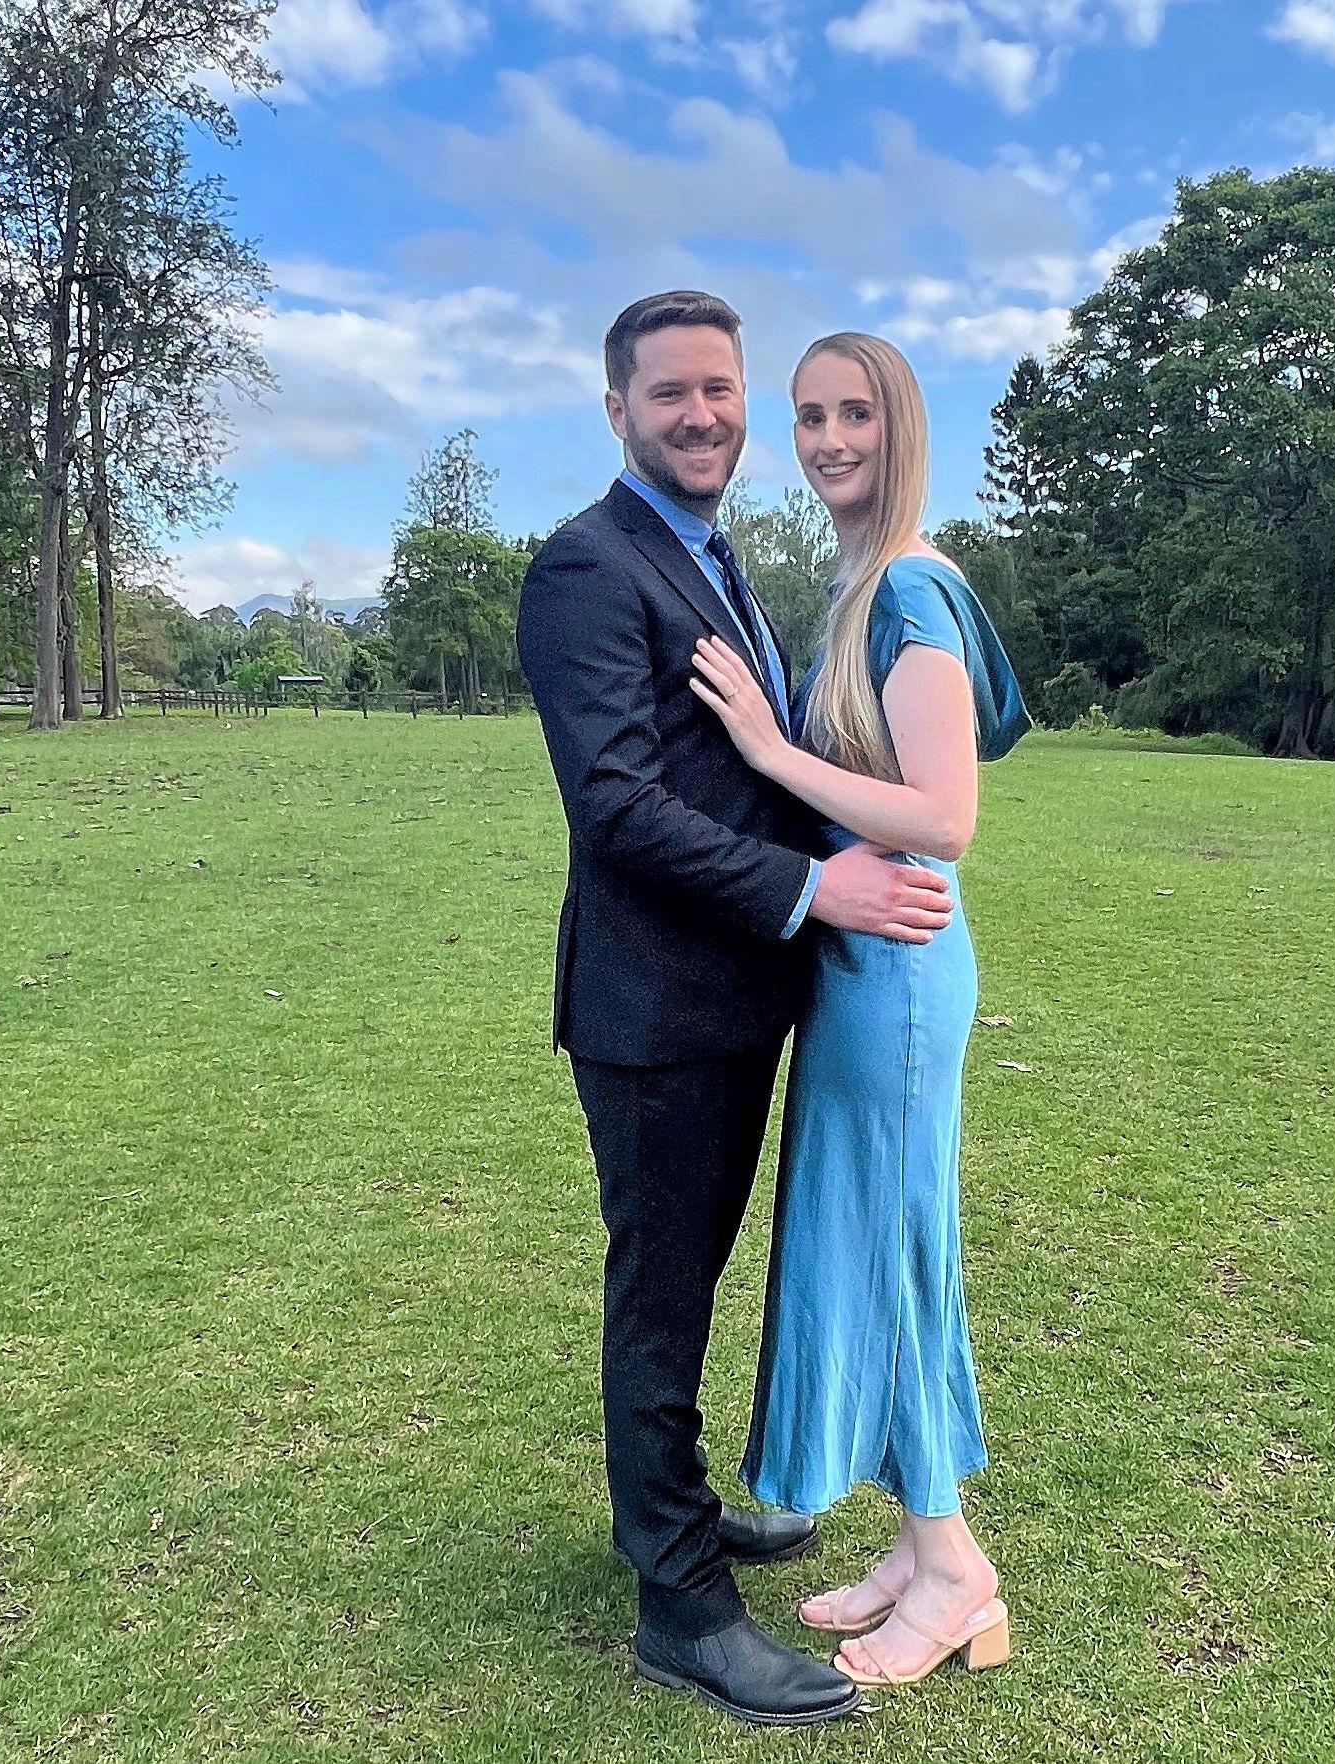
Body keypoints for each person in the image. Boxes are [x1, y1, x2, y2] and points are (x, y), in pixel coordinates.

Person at [513, 291, 957, 1728]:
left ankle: (674, 1516)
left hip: (733, 998)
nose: (702, 415)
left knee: (688, 1282)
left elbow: (750, 767)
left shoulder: (712, 556)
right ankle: (684, 1611)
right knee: (660, 1297)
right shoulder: (589, 567)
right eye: (670, 393)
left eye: (722, 389)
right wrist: (815, 889)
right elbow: (619, 807)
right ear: (618, 410)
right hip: (654, 1013)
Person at [686, 331, 1032, 1690]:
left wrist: (770, 751)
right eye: (809, 417)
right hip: (860, 961)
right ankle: (914, 1545)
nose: (829, 441)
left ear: (901, 427)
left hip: (898, 971)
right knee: (873, 1238)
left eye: (855, 416)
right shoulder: (858, 583)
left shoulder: (911, 591)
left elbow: (945, 814)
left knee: (894, 1253)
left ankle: (952, 1572)